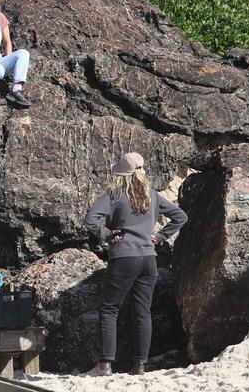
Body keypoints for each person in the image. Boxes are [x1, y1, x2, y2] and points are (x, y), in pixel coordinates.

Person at [83, 152, 187, 376]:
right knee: (142, 312)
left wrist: (108, 235)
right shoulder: (153, 195)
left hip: (124, 257)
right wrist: (159, 237)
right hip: (149, 259)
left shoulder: (114, 194)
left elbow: (91, 219)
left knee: (109, 309)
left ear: (122, 173)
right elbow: (180, 216)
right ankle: (139, 365)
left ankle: (106, 364)